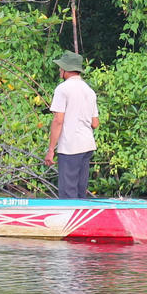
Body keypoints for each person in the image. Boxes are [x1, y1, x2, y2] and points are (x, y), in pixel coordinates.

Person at [44, 51, 100, 199]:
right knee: (80, 191)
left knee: (68, 193)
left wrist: (51, 150)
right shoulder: (89, 91)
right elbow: (95, 123)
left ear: (65, 70)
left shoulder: (63, 89)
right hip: (87, 146)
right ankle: (80, 219)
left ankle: (68, 220)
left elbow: (58, 120)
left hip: (70, 147)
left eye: (60, 67)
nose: (59, 70)